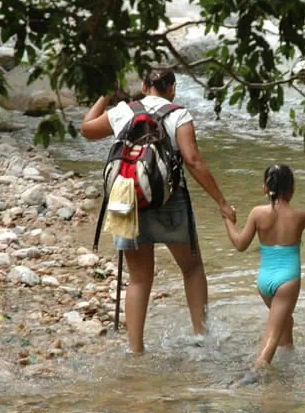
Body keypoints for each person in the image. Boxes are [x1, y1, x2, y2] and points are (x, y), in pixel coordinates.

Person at [80, 70, 236, 353]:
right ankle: (201, 336)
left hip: (128, 200)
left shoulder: (123, 111)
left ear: (143, 86)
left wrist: (105, 94)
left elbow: (87, 129)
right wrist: (221, 201)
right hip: (169, 200)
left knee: (139, 278)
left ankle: (135, 349)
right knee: (191, 267)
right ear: (172, 89)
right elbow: (193, 160)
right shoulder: (179, 115)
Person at [222, 164, 305, 372]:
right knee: (273, 332)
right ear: (292, 189)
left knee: (285, 322)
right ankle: (256, 372)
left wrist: (227, 221)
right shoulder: (302, 216)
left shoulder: (257, 214)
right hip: (287, 281)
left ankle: (288, 363)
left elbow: (240, 244)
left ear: (265, 188)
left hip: (264, 281)